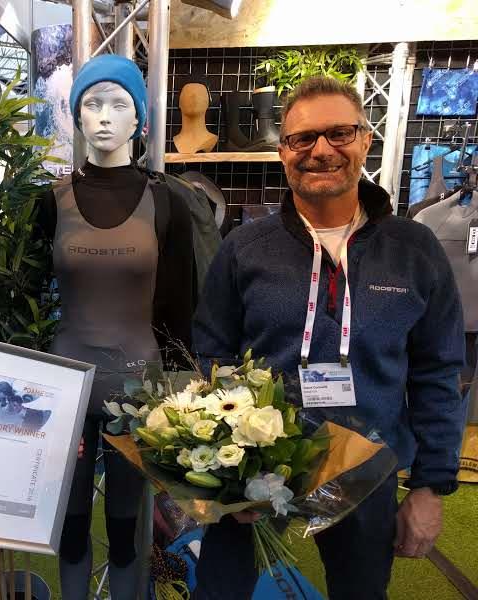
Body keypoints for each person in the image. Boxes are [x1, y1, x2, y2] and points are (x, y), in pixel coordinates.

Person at [192, 76, 466, 599]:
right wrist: (227, 467)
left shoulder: (414, 248)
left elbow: (438, 370)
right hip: (255, 468)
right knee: (220, 591)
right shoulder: (245, 248)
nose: (321, 150)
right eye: (303, 138)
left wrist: (431, 486)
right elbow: (213, 352)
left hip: (367, 467)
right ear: (283, 151)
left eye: (339, 133)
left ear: (365, 139)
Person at [37, 54, 195, 600]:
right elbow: (29, 298)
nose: (104, 116)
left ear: (140, 121)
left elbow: (181, 305)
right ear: (76, 117)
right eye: (91, 104)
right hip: (66, 388)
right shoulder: (50, 202)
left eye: (118, 104)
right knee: (71, 520)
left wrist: (185, 396)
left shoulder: (167, 199)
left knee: (129, 525)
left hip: (141, 386)